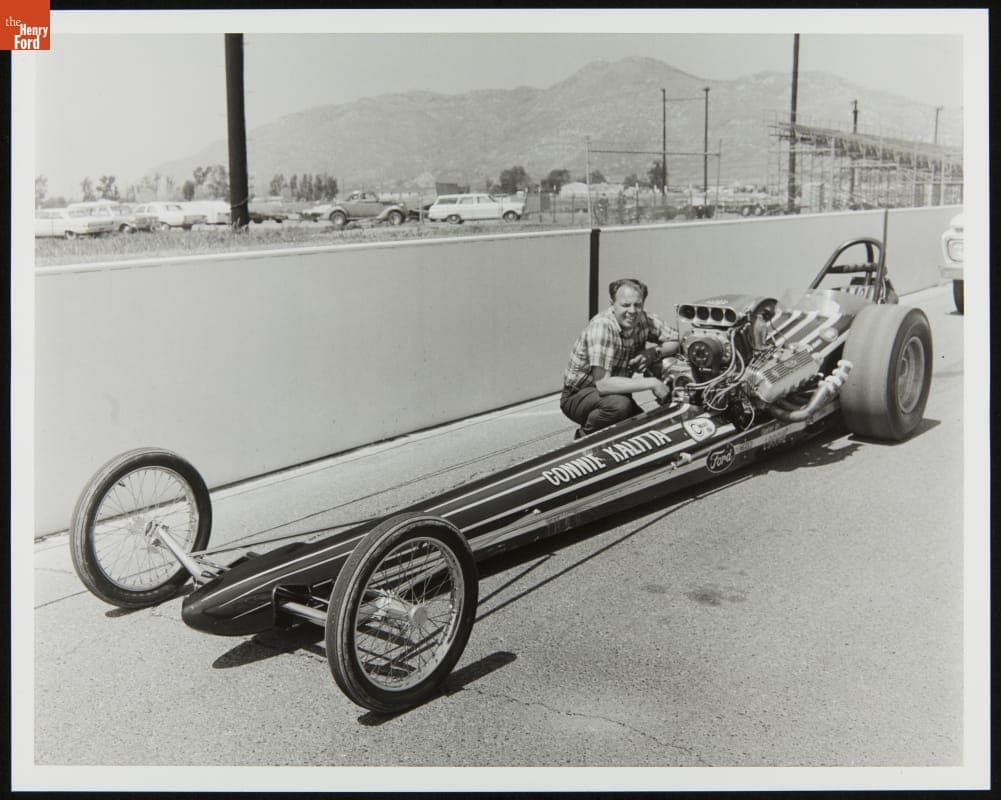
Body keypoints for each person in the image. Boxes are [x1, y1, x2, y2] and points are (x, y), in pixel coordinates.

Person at [560, 277, 680, 439]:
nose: (632, 311)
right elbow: (603, 384)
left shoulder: (643, 318)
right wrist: (653, 383)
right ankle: (584, 440)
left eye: (637, 305)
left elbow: (677, 340)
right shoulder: (602, 327)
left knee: (644, 431)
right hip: (579, 395)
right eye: (625, 305)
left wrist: (652, 353)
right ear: (612, 304)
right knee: (619, 406)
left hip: (616, 394)